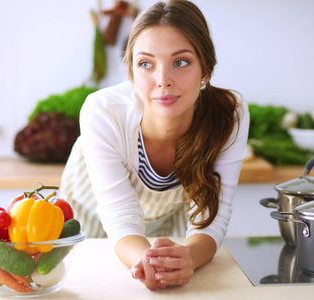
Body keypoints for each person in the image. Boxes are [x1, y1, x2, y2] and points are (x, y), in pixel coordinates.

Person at [60, 0, 249, 290]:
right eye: (146, 64)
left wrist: (185, 258)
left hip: (169, 217)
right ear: (133, 75)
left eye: (181, 62)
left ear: (205, 72)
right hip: (91, 213)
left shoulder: (229, 115)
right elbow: (120, 219)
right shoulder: (103, 111)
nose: (163, 80)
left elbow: (212, 220)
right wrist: (145, 262)